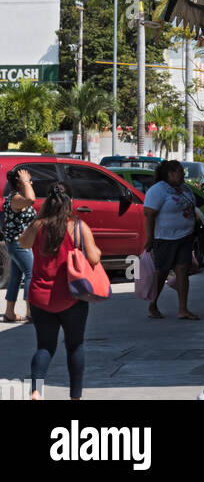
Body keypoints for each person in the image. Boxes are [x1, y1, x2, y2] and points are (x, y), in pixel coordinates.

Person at [17, 182, 100, 400]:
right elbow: (94, 257)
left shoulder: (37, 225)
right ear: (70, 202)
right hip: (71, 298)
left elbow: (23, 243)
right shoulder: (78, 227)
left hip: (40, 298)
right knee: (75, 346)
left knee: (44, 347)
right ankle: (75, 397)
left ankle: (36, 390)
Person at [142, 160, 201, 320]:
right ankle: (152, 305)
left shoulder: (184, 188)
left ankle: (183, 309)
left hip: (185, 236)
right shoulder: (158, 190)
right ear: (170, 173)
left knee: (182, 270)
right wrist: (149, 238)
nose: (183, 174)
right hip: (165, 238)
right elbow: (149, 215)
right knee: (162, 273)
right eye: (180, 171)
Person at [2, 166, 37, 323]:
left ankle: (9, 312)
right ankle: (31, 311)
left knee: (16, 277)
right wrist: (25, 182)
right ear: (19, 183)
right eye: (29, 180)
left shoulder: (17, 196)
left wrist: (26, 183)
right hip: (19, 244)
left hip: (18, 243)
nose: (31, 182)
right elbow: (31, 200)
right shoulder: (16, 198)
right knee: (31, 274)